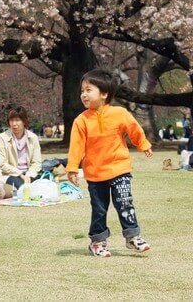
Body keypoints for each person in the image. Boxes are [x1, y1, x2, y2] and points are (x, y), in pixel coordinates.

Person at [66, 69, 153, 257]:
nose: (83, 94)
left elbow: (134, 129)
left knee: (125, 203)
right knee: (99, 209)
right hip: (95, 174)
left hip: (120, 169)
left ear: (104, 94)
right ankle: (97, 241)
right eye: (82, 90)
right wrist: (72, 168)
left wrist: (143, 144)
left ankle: (132, 236)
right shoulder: (81, 121)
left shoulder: (119, 113)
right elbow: (76, 146)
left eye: (89, 90)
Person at [0, 106, 42, 194]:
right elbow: (1, 163)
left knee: (40, 186)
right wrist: (19, 174)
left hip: (29, 173)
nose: (14, 124)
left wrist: (29, 174)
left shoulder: (33, 137)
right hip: (11, 174)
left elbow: (37, 162)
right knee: (22, 187)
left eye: (17, 120)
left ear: (24, 121)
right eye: (11, 120)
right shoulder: (2, 138)